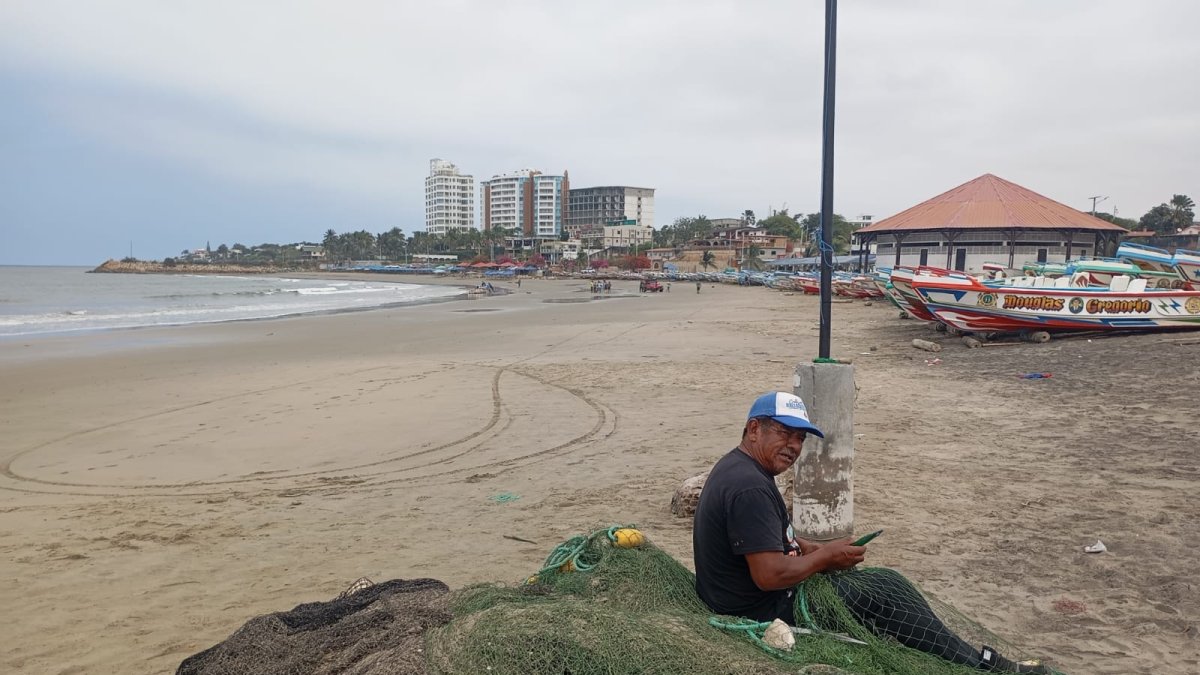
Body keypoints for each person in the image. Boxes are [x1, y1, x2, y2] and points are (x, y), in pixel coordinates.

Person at [693, 392, 1053, 674]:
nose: (794, 447)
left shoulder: (740, 468)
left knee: (879, 591)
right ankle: (978, 664)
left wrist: (811, 547)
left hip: (747, 596)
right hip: (761, 609)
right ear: (754, 429)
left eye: (801, 438)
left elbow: (764, 535)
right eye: (784, 433)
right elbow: (769, 575)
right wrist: (825, 558)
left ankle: (962, 655)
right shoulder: (750, 488)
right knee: (887, 589)